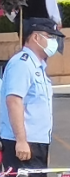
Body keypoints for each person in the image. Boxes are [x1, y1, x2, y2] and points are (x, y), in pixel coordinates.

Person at [0, 18, 65, 174]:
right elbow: (14, 101)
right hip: (24, 142)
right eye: (50, 37)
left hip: (36, 142)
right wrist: (21, 140)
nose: (54, 42)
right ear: (36, 37)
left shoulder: (37, 66)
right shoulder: (22, 64)